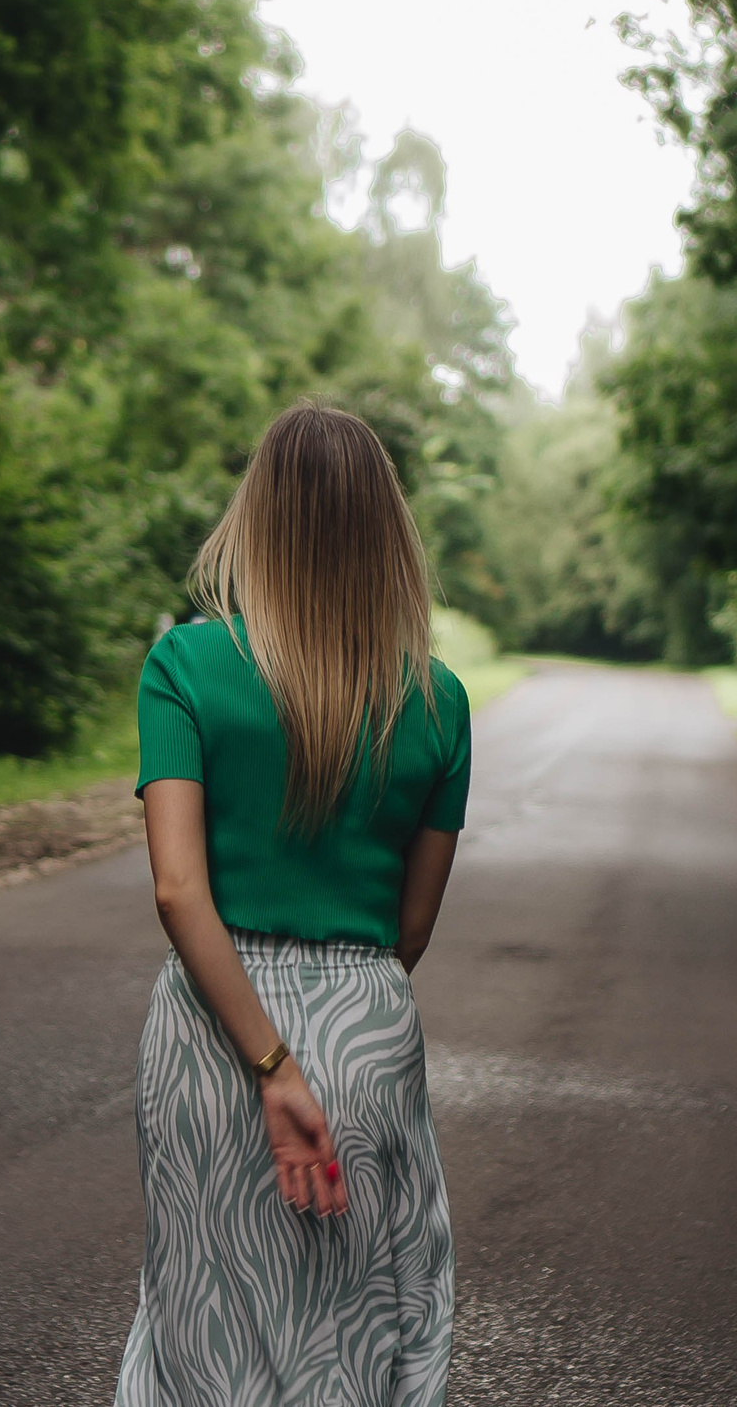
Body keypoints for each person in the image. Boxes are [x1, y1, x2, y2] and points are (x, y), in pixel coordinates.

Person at [113, 403, 470, 1407]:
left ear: (257, 519)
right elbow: (411, 926)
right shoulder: (439, 700)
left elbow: (179, 890)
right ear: (387, 532)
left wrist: (270, 1061)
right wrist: (332, 1023)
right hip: (366, 1027)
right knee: (362, 1324)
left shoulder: (183, 667)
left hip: (209, 1033)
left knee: (204, 1324)